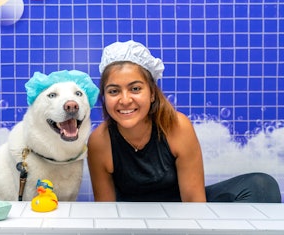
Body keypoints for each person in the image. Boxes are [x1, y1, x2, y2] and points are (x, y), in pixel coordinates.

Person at [87, 40, 282, 202]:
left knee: (261, 185)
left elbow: (193, 202)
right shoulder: (100, 141)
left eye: (135, 88)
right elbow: (107, 213)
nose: (125, 99)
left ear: (153, 93)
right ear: (104, 97)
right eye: (113, 91)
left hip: (183, 217)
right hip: (134, 224)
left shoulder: (176, 126)